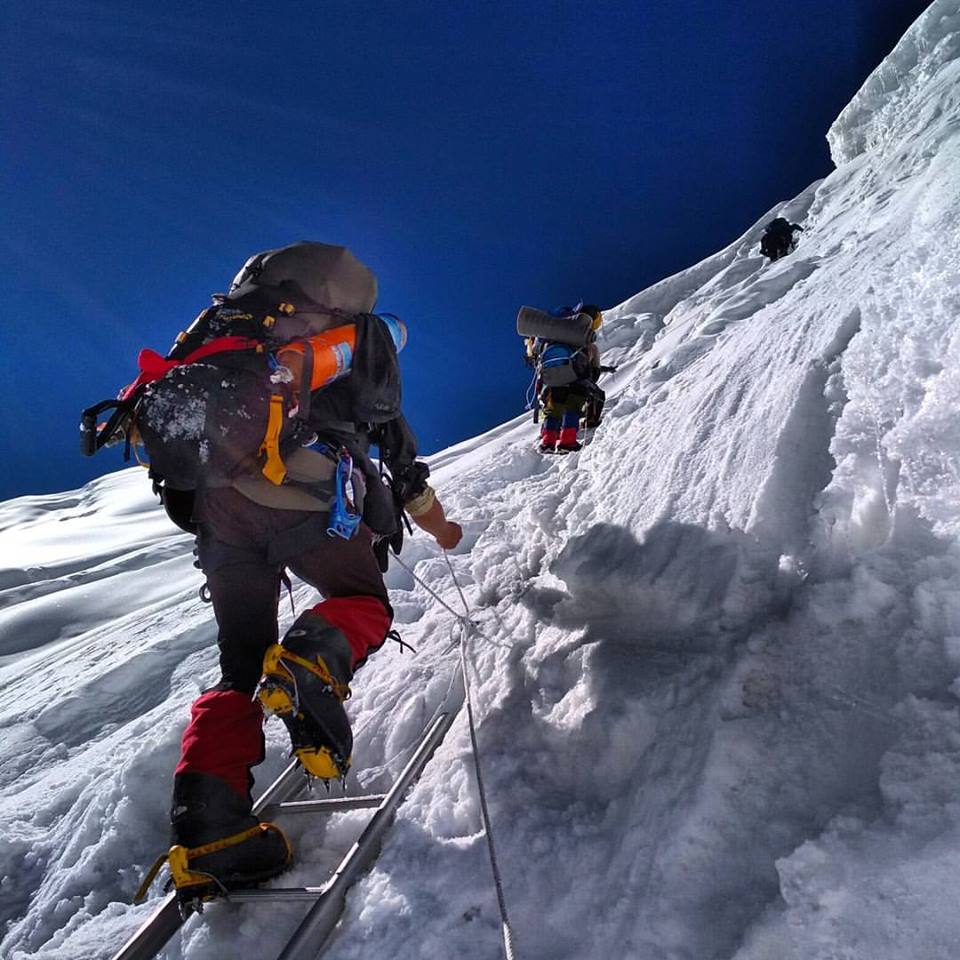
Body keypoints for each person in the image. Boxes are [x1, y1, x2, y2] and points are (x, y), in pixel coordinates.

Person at [165, 242, 463, 898]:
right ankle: (311, 662)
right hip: (310, 503)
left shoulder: (228, 342)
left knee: (239, 670)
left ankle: (213, 833)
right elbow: (403, 468)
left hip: (220, 520)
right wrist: (443, 529)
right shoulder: (347, 355)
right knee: (365, 604)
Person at [537, 304, 603, 453]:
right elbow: (595, 370)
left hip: (552, 380)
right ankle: (567, 442)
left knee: (553, 410)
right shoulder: (587, 343)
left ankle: (547, 443)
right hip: (576, 379)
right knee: (572, 408)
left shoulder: (551, 340)